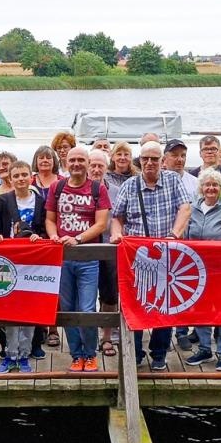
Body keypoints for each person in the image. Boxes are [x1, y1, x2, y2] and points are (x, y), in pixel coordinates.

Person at [110, 141, 192, 371]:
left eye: (154, 159)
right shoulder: (129, 185)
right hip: (137, 256)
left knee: (163, 304)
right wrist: (117, 234)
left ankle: (159, 353)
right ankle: (134, 353)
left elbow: (185, 208)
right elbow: (117, 216)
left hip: (167, 254)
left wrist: (173, 236)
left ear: (162, 161)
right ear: (140, 160)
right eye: (145, 158)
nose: (149, 163)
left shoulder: (173, 180)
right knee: (135, 303)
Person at [46, 146, 111, 372]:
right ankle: (76, 354)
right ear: (66, 162)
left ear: (87, 163)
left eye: (80, 160)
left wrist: (78, 238)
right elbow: (50, 218)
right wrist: (54, 235)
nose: (76, 164)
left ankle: (90, 353)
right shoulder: (57, 187)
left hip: (88, 257)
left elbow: (101, 224)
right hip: (63, 258)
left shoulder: (97, 188)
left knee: (86, 309)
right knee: (67, 307)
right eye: (72, 160)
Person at [0, 160, 48, 373]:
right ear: (10, 179)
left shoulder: (40, 201)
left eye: (24, 175)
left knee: (29, 311)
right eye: (16, 176)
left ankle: (24, 354)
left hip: (32, 263)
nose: (21, 179)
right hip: (8, 263)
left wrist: (38, 237)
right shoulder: (2, 201)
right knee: (10, 311)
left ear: (30, 177)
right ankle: (10, 353)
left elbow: (46, 231)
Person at [182, 169, 221, 372]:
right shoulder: (192, 209)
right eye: (207, 184)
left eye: (215, 185)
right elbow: (187, 239)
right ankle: (204, 348)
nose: (211, 188)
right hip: (197, 270)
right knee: (200, 308)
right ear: (201, 188)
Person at [87, 148, 120, 359]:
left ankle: (107, 336)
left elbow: (121, 217)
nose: (97, 169)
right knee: (86, 296)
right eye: (93, 165)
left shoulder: (117, 190)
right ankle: (87, 337)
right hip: (84, 248)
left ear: (107, 168)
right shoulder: (77, 189)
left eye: (101, 165)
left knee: (109, 294)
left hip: (109, 247)